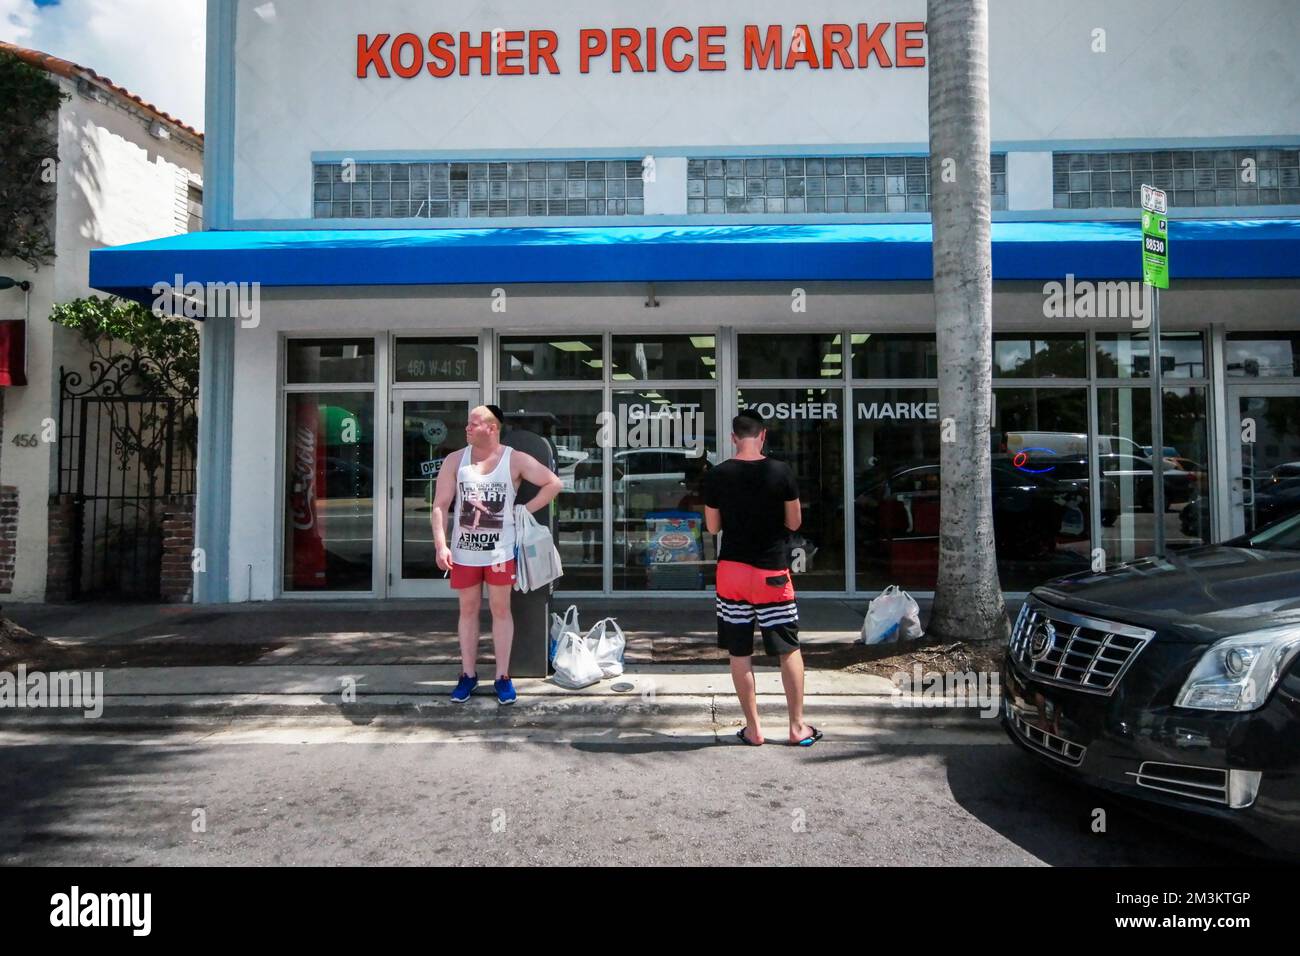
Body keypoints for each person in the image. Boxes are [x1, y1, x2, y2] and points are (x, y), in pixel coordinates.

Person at [703, 410, 820, 746]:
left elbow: (713, 528)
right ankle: (797, 728)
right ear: (763, 435)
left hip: (732, 574)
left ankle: (754, 730)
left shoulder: (717, 475)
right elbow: (795, 523)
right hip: (772, 573)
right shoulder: (780, 471)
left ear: (733, 438)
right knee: (788, 648)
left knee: (739, 651)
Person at [432, 404, 563, 705]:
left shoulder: (513, 459)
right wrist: (441, 545)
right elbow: (440, 505)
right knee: (467, 611)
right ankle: (468, 674)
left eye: (473, 423)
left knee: (501, 611)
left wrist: (523, 511)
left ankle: (502, 676)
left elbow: (554, 483)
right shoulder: (455, 460)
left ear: (491, 428)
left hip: (499, 552)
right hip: (464, 553)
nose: (466, 427)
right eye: (467, 423)